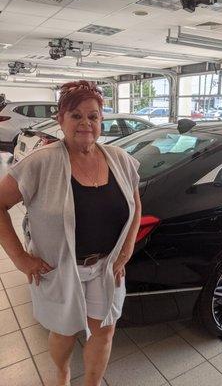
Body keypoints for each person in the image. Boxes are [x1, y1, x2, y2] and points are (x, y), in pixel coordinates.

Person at [0, 80, 141, 386]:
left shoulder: (120, 160)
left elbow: (136, 202)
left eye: (93, 116)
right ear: (61, 120)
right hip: (60, 269)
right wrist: (22, 259)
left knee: (105, 330)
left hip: (107, 268)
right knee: (64, 331)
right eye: (76, 115)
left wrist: (127, 249)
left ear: (101, 120)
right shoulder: (40, 163)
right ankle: (62, 375)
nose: (85, 123)